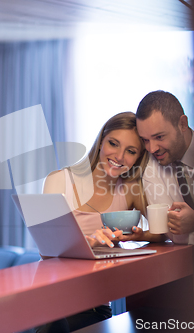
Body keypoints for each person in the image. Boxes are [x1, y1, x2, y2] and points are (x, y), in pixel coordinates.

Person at [37, 111, 161, 333]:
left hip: (94, 307)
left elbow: (162, 232)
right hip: (51, 301)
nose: (119, 157)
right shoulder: (58, 180)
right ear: (101, 140)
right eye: (113, 143)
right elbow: (47, 253)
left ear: (138, 157)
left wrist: (142, 235)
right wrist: (87, 243)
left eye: (131, 151)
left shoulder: (130, 189)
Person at [122, 90, 194, 247]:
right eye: (145, 140)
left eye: (159, 137)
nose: (152, 148)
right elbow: (175, 235)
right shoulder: (151, 166)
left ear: (182, 124)